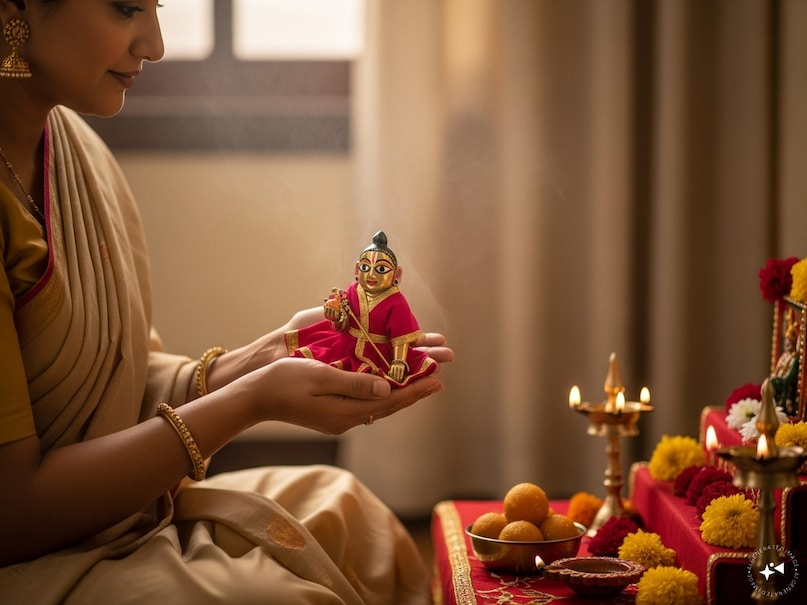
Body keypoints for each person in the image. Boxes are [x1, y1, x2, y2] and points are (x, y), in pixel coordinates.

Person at [0, 2, 453, 604]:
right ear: (13, 10)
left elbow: (124, 387)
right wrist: (253, 401)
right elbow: (15, 513)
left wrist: (260, 358)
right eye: (126, 9)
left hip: (118, 516)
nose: (155, 45)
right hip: (36, 550)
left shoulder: (74, 151)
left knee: (351, 514)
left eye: (157, 8)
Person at [286, 231, 438, 389]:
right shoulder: (353, 289)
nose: (371, 274)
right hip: (345, 345)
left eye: (380, 270)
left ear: (397, 274)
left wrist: (399, 361)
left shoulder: (397, 302)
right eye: (365, 267)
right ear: (357, 270)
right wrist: (336, 317)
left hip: (379, 352)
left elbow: (400, 336)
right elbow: (344, 324)